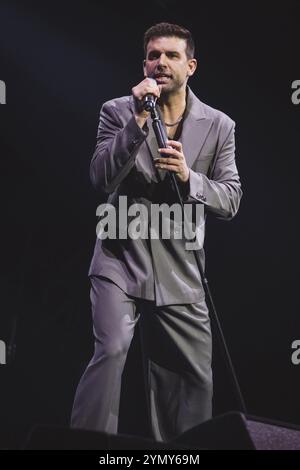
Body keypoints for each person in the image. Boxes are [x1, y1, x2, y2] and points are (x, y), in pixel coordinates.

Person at [70, 22, 242, 442]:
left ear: (191, 66)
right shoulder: (117, 111)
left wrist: (189, 178)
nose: (160, 63)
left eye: (170, 55)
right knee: (110, 351)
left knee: (192, 380)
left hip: (181, 269)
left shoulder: (220, 125)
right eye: (152, 55)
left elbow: (231, 198)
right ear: (143, 63)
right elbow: (102, 177)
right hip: (120, 257)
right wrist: (138, 119)